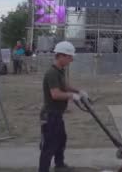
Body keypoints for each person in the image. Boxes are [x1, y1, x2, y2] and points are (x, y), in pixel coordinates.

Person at [39, 41, 88, 172]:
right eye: (69, 57)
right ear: (61, 56)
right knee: (49, 145)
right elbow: (55, 94)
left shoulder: (60, 71)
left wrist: (78, 91)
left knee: (61, 140)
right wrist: (71, 96)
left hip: (57, 114)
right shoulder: (51, 73)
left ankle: (59, 165)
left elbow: (65, 87)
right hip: (50, 115)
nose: (71, 60)